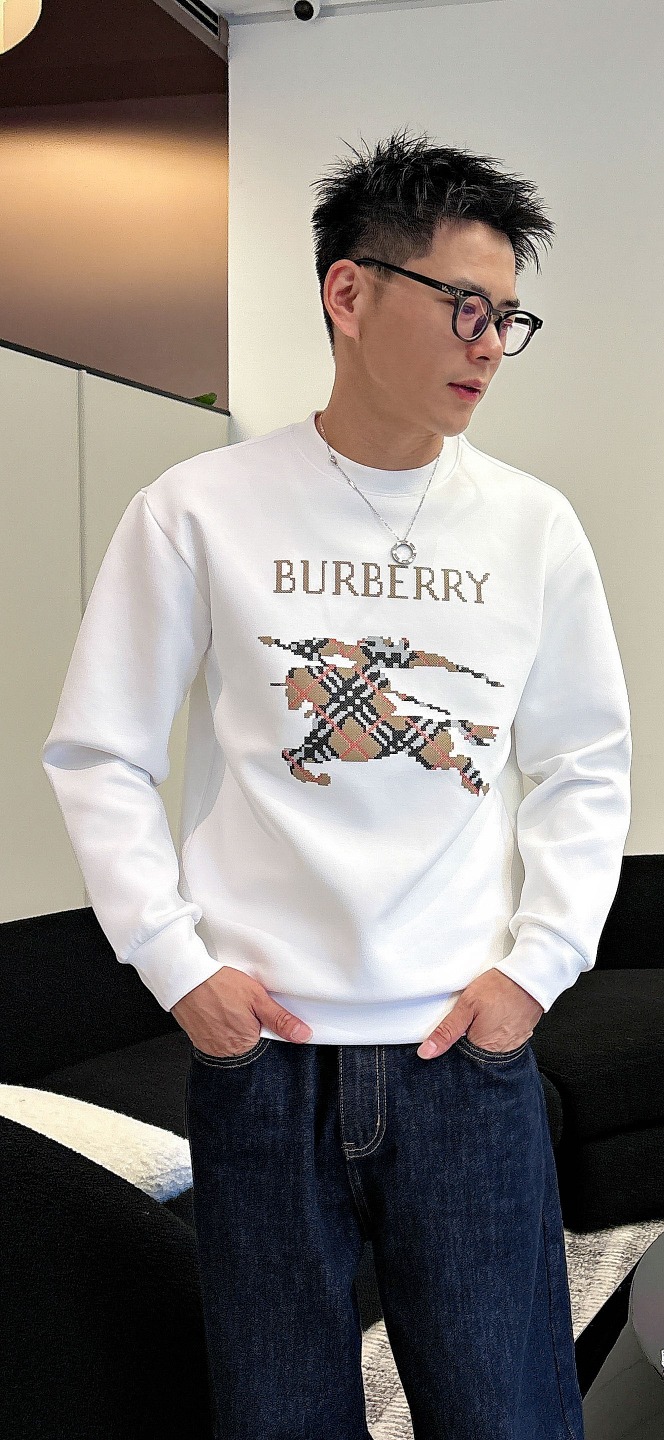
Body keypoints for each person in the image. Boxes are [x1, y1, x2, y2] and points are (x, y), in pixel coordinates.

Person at [41, 126, 632, 1440]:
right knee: (280, 1419)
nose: (490, 342)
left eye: (508, 316)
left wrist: (535, 972)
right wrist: (179, 969)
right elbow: (100, 752)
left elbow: (586, 763)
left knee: (511, 1415)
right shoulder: (199, 509)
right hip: (264, 1055)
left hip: (462, 1056)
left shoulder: (531, 526)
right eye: (463, 304)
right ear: (349, 293)